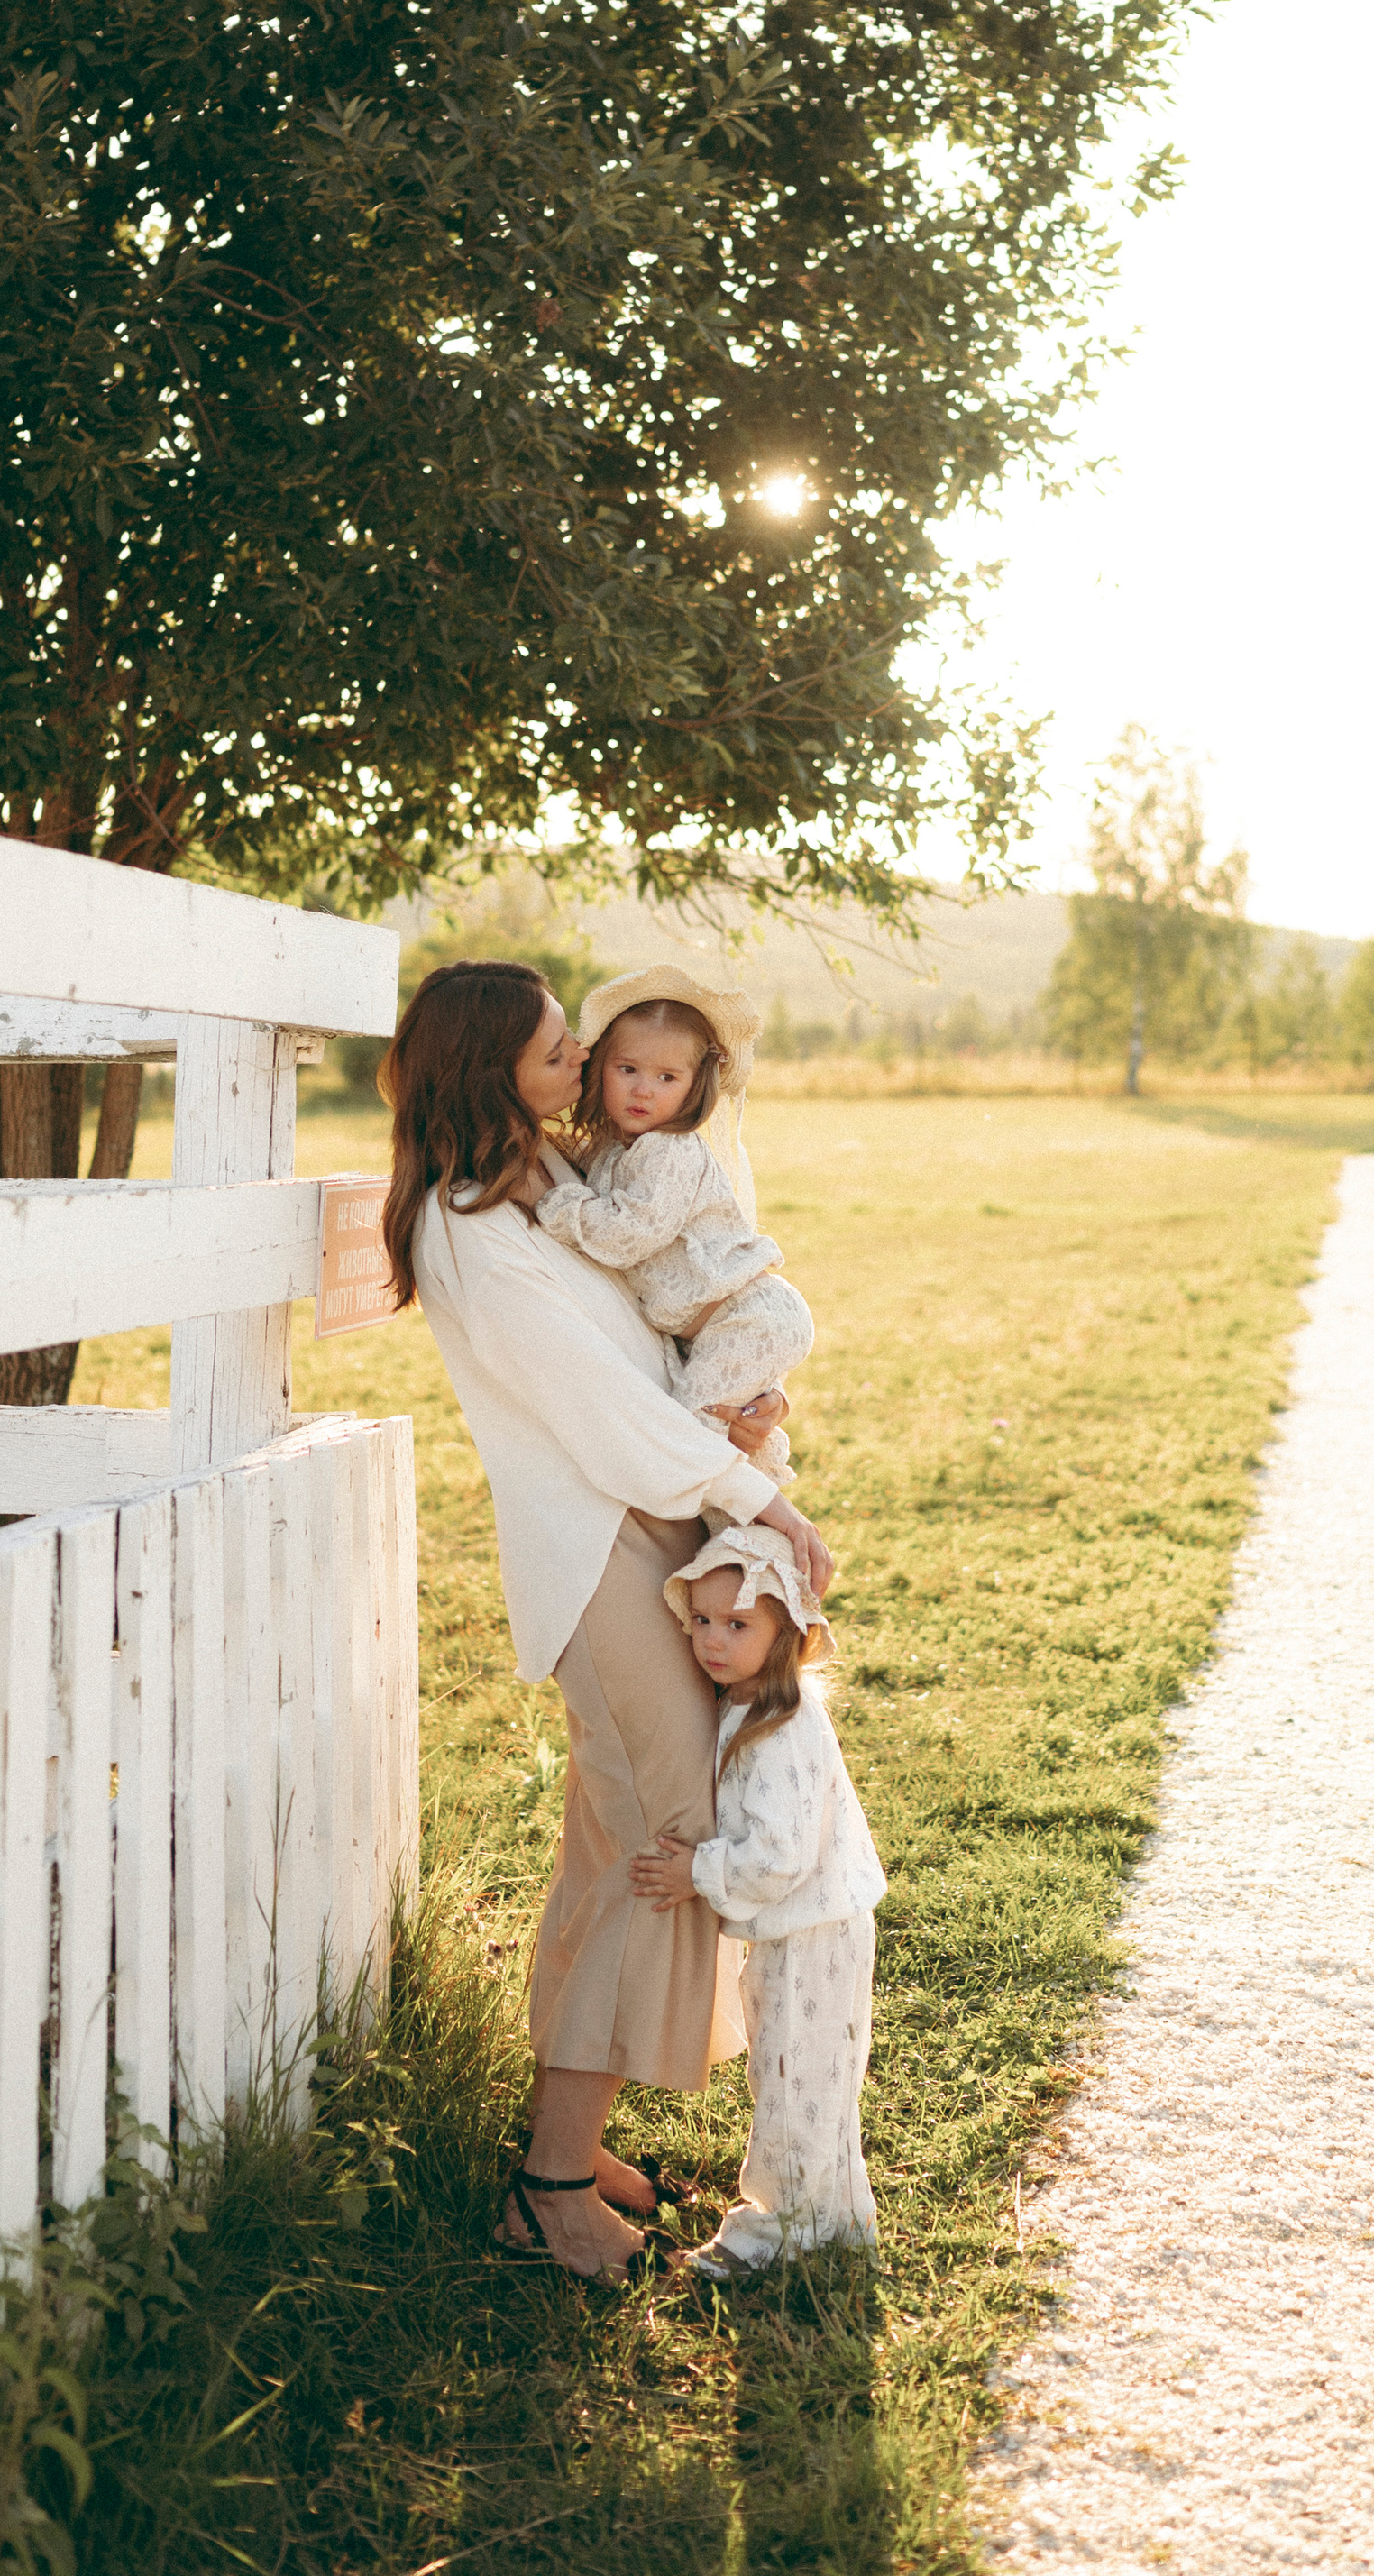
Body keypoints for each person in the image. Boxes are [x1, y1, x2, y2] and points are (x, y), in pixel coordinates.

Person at [382, 957, 836, 2280]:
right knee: (664, 1835)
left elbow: (645, 1351)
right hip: (600, 1545)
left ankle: (568, 2139)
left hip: (650, 1519)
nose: (583, 1067)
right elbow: (601, 1414)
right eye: (556, 1054)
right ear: (491, 1074)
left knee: (615, 1846)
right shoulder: (471, 1231)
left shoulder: (545, 1188)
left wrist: (742, 1408)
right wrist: (758, 1495)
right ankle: (549, 2188)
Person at [629, 1541, 886, 2280]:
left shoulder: (780, 1725)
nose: (712, 1638)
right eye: (702, 1619)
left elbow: (780, 1855)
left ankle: (780, 2229)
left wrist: (695, 1872)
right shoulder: (745, 1705)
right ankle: (834, 2219)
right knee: (806, 2077)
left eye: (738, 1625)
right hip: (799, 1926)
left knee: (796, 2077)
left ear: (787, 1634)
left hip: (811, 1929)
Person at [533, 969, 815, 1605]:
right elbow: (580, 1164)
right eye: (627, 1069)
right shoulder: (614, 1150)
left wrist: (562, 1208)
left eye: (667, 1078)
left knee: (693, 1440)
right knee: (723, 1435)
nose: (643, 1090)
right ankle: (747, 1566)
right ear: (600, 1065)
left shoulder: (671, 1151)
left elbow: (629, 1233)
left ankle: (745, 1572)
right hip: (716, 1324)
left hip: (748, 1316)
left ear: (694, 1086)